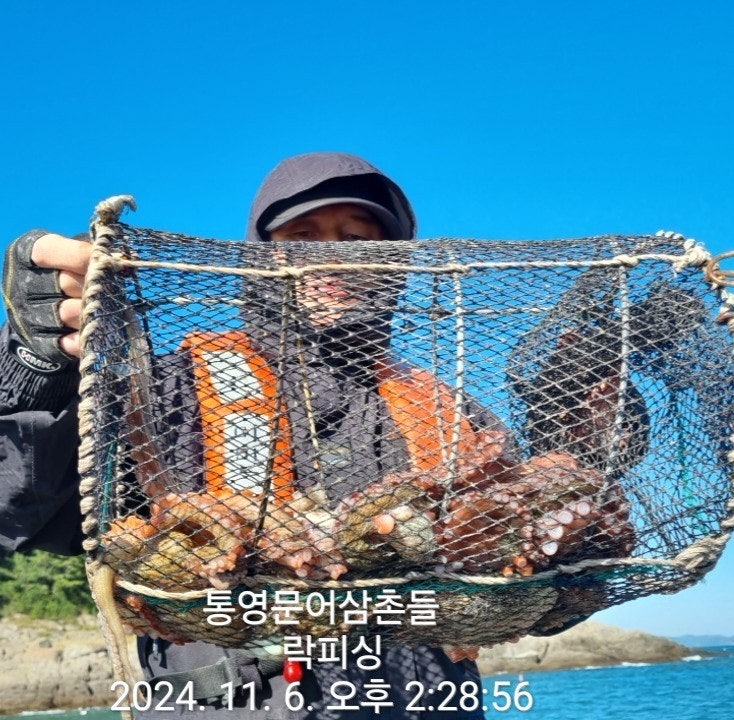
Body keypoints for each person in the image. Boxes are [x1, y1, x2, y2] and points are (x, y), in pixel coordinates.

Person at [0, 153, 495, 719]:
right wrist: (34, 363)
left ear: (391, 261)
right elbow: (20, 505)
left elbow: (538, 543)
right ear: (262, 254)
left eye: (356, 238)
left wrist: (574, 395)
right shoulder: (170, 388)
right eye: (301, 237)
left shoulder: (446, 409)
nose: (329, 256)